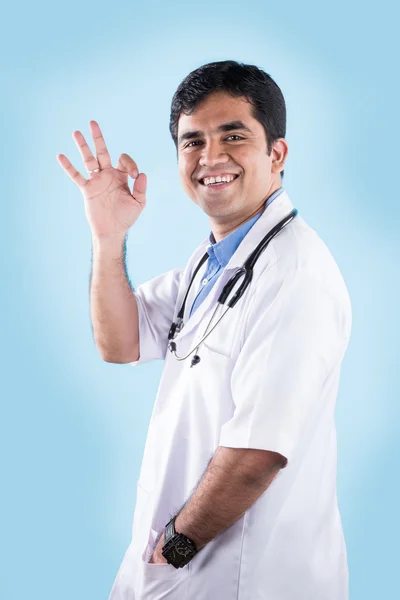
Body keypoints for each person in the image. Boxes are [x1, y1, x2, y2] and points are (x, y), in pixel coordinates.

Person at [57, 60, 352, 600]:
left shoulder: (294, 272)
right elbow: (119, 343)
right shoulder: (210, 263)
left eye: (233, 136)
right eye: (192, 142)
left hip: (243, 578)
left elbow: (258, 451)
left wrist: (174, 548)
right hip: (177, 571)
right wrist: (107, 237)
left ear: (277, 154)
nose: (210, 157)